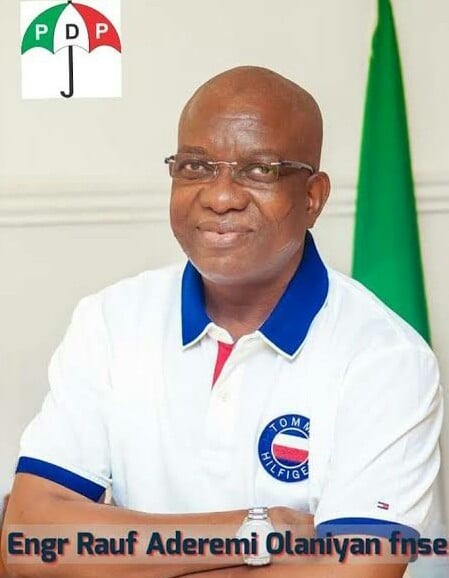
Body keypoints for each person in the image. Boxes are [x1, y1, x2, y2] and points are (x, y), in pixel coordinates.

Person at [2, 66, 442, 578]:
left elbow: (351, 573)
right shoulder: (110, 321)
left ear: (313, 197)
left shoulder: (386, 358)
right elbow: (28, 541)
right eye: (195, 166)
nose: (220, 196)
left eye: (259, 170)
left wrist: (120, 559)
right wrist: (253, 531)